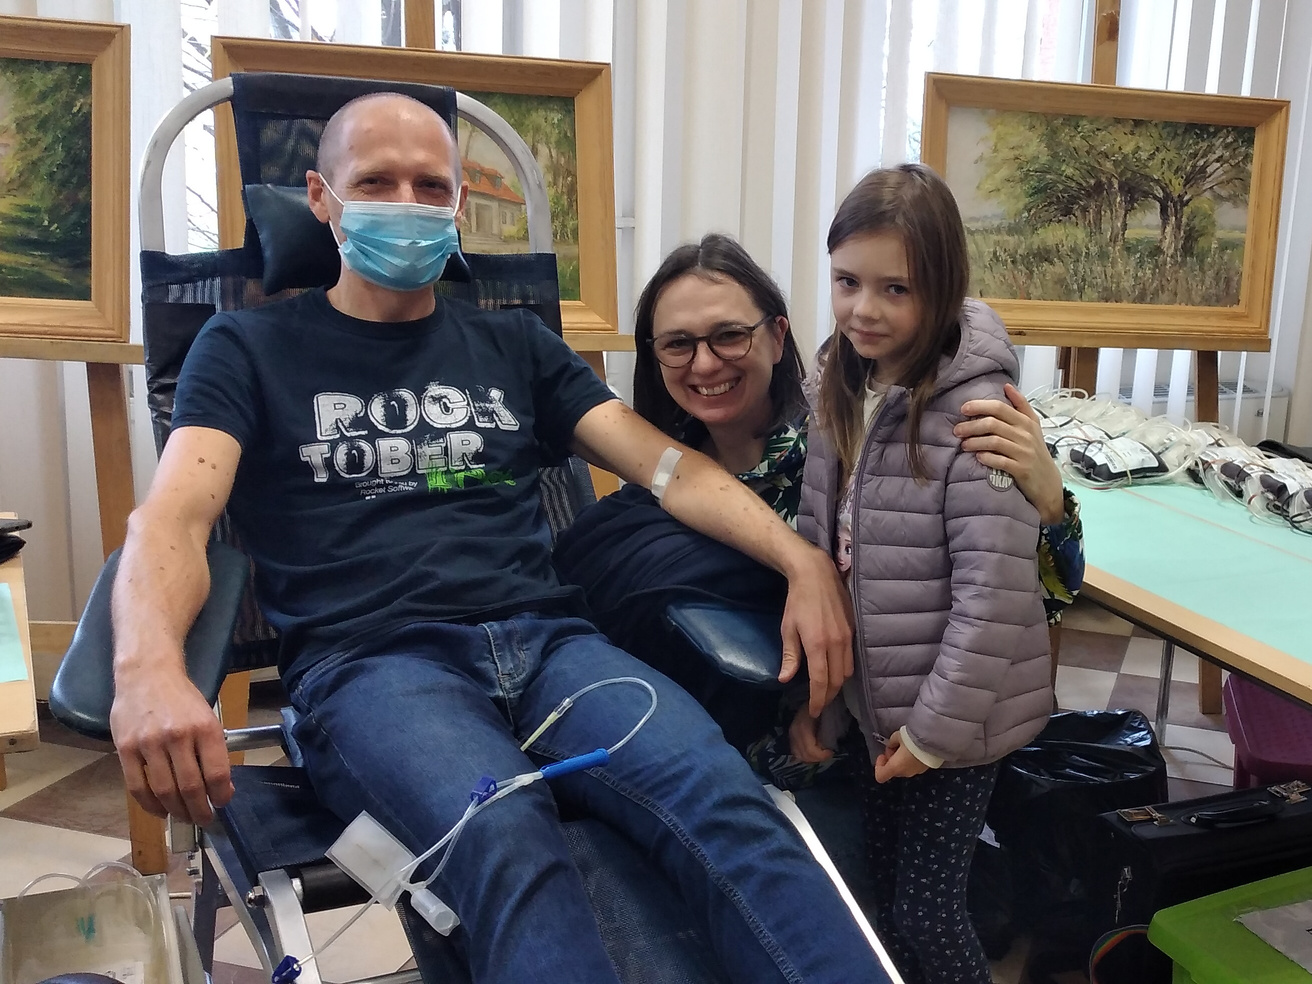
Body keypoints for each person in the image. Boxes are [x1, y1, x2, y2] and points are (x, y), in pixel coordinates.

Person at [106, 92, 894, 984]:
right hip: (373, 666)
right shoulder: (245, 347)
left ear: (456, 206)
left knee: (725, 803)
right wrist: (148, 670)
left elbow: (672, 469)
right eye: (377, 182)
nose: (406, 203)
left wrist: (800, 560)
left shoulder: (514, 344)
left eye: (429, 185)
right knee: (507, 837)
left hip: (554, 647)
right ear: (321, 199)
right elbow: (174, 516)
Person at [559, 233, 1081, 782]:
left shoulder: (849, 455)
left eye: (730, 336)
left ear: (777, 336)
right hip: (644, 747)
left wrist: (1048, 500)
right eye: (678, 344)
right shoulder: (654, 481)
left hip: (858, 760)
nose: (705, 364)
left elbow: (1044, 596)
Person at [797, 162, 1055, 984]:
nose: (864, 310)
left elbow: (995, 600)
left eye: (896, 289)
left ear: (941, 290)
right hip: (876, 705)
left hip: (953, 725)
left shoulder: (980, 416)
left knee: (927, 913)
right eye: (847, 282)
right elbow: (819, 541)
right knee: (882, 897)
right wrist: (821, 701)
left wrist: (932, 735)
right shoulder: (840, 380)